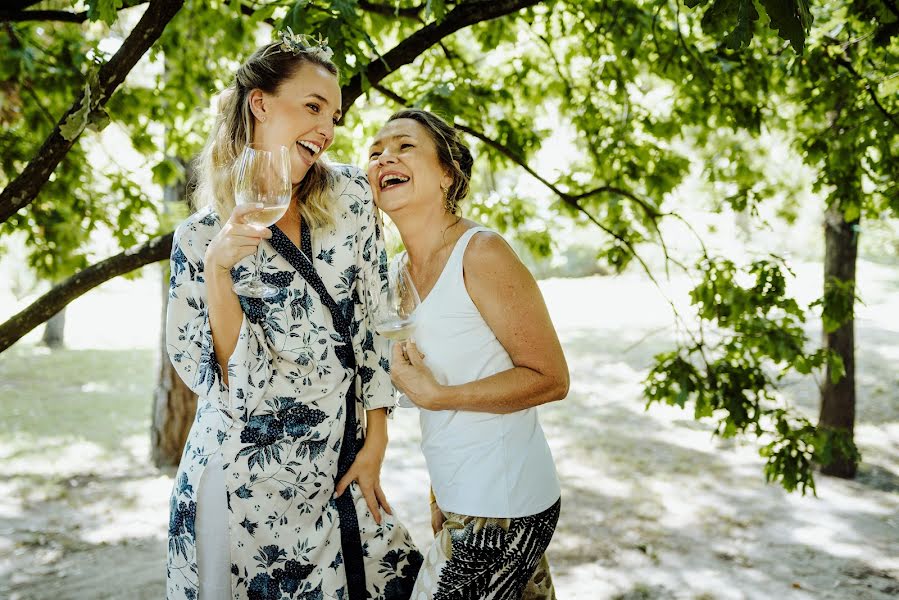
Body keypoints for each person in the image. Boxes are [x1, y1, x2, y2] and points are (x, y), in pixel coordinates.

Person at [165, 33, 422, 600]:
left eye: (333, 115)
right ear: (260, 103)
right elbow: (226, 383)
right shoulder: (199, 239)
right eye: (312, 107)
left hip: (339, 468)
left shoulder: (352, 193)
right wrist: (217, 273)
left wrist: (376, 437)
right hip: (243, 488)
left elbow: (376, 316)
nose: (327, 129)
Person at [366, 109, 568, 600]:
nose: (384, 156)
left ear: (446, 174)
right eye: (375, 152)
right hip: (462, 500)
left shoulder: (480, 253)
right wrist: (441, 493)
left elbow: (550, 378)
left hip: (504, 504)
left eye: (404, 146)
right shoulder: (393, 275)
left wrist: (441, 395)